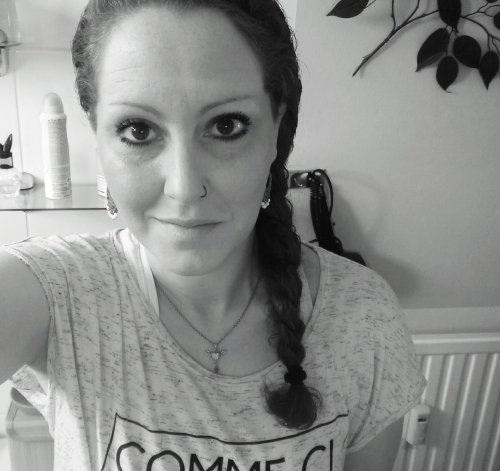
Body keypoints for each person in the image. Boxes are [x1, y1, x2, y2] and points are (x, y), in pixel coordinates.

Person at [0, 0, 426, 469]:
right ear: (96, 136)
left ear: (276, 129)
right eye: (138, 130)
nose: (184, 187)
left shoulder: (362, 318)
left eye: (227, 126)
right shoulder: (59, 293)